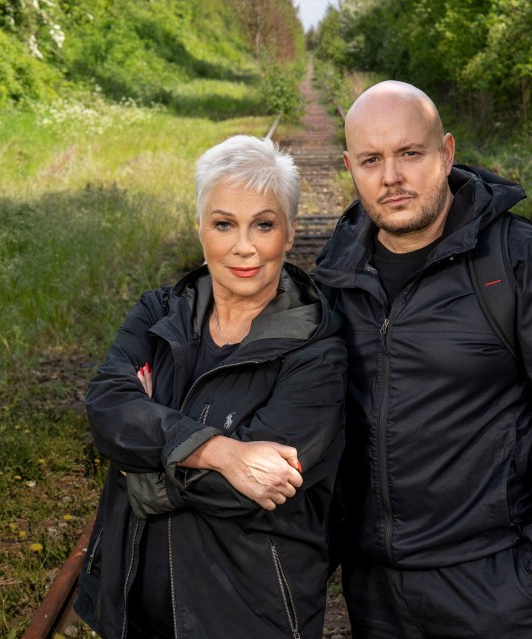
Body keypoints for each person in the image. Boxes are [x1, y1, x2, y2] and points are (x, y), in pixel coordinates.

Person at [312, 80, 532, 638]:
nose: (392, 177)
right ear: (350, 166)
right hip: (374, 590)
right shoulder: (337, 270)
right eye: (371, 159)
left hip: (491, 588)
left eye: (409, 153)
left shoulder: (524, 261)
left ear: (447, 152)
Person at [74, 135, 347, 639]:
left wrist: (142, 463)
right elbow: (108, 407)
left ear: (288, 234)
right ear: (200, 229)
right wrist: (221, 452)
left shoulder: (318, 349)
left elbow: (253, 492)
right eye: (224, 224)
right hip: (131, 606)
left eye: (263, 224)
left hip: (248, 616)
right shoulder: (159, 313)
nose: (243, 246)